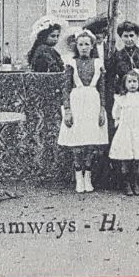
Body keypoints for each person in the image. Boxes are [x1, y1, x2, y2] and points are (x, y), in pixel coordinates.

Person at [58, 29, 109, 192]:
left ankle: (88, 175)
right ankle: (78, 176)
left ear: (92, 46)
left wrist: (102, 110)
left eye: (87, 44)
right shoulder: (71, 63)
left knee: (90, 142)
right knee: (77, 142)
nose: (84, 47)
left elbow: (102, 89)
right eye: (81, 44)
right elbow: (66, 88)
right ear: (76, 47)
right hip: (77, 102)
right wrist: (67, 110)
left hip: (93, 103)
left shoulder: (98, 63)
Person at [109, 69, 139, 196]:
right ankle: (126, 183)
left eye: (135, 81)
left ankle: (135, 182)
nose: (132, 84)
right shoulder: (121, 99)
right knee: (125, 157)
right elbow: (115, 114)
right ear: (125, 83)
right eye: (129, 82)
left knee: (137, 159)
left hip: (138, 131)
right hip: (125, 131)